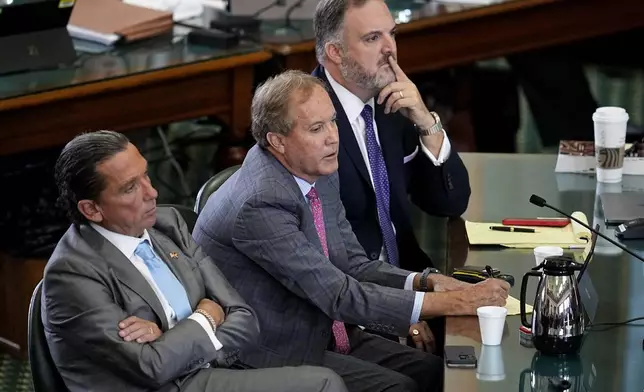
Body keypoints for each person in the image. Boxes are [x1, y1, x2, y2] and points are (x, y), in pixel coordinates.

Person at [192, 70, 510, 392]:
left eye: (333, 121)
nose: (333, 137)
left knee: (432, 371)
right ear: (277, 141)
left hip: (319, 325)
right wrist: (455, 304)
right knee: (399, 387)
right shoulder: (260, 203)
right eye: (317, 128)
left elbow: (354, 264)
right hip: (269, 348)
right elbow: (338, 294)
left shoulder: (318, 168)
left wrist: (426, 281)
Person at [43, 130, 348, 392]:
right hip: (169, 387)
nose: (152, 192)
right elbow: (152, 367)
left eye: (146, 175)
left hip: (208, 372)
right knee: (323, 385)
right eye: (130, 188)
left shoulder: (167, 225)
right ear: (92, 209)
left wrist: (172, 340)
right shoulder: (71, 274)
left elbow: (243, 317)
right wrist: (206, 316)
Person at [312, 0, 471, 273]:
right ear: (335, 52)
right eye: (373, 38)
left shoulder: (394, 104)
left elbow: (449, 203)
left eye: (392, 34)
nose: (390, 49)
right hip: (347, 292)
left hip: (410, 278)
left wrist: (425, 121)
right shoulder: (306, 118)